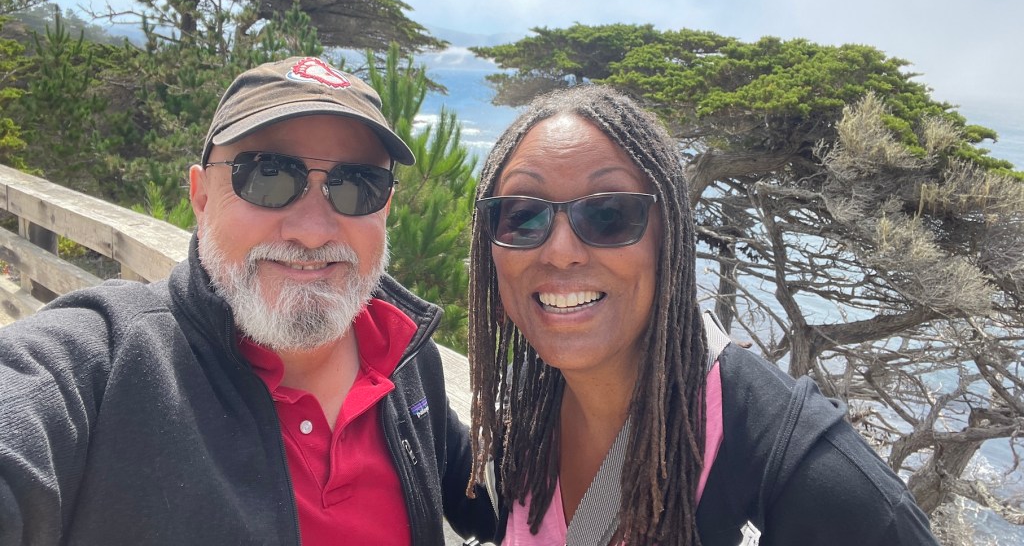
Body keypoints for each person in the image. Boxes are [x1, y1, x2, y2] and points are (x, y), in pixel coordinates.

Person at [0, 56, 496, 545]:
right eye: (267, 176)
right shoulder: (108, 367)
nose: (312, 231)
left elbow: (495, 491)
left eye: (357, 185)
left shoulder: (403, 355)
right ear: (201, 196)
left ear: (385, 207)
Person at [465, 84, 939, 546]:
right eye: (522, 216)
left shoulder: (797, 469)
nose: (560, 251)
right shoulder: (527, 412)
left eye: (608, 214)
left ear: (670, 238)